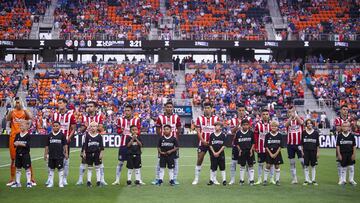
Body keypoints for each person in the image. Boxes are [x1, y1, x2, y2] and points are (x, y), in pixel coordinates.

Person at [6, 97, 35, 186]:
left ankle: (32, 179)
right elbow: (7, 119)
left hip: (24, 136)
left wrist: (24, 107)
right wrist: (11, 108)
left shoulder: (24, 112)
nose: (18, 103)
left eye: (19, 102)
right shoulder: (12, 111)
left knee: (27, 158)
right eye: (17, 102)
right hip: (14, 137)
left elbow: (31, 117)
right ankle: (12, 179)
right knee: (13, 159)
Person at [152, 101, 181, 185]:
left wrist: (175, 138)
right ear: (165, 108)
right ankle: (157, 178)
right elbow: (157, 129)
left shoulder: (176, 117)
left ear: (172, 108)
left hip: (173, 143)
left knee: (175, 161)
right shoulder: (160, 117)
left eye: (170, 107)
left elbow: (179, 128)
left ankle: (174, 178)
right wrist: (161, 138)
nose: (169, 108)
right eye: (167, 107)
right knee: (159, 161)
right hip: (163, 143)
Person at [77, 101, 106, 186]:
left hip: (96, 139)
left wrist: (89, 126)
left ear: (95, 108)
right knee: (83, 159)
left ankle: (102, 179)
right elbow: (81, 130)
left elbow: (101, 128)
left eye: (91, 106)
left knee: (99, 160)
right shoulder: (84, 117)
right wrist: (85, 126)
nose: (89, 108)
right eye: (88, 106)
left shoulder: (99, 117)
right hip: (86, 139)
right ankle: (80, 179)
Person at [112, 105, 142, 185]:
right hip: (123, 144)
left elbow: (139, 131)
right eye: (125, 110)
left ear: (132, 111)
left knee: (137, 163)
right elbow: (118, 131)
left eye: (128, 110)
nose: (126, 112)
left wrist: (135, 134)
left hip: (134, 145)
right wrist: (121, 131)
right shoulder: (120, 120)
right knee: (120, 162)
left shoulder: (136, 120)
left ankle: (139, 179)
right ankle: (117, 180)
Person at [192, 102, 220, 185]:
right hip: (202, 142)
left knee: (214, 161)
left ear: (211, 109)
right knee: (199, 159)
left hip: (213, 143)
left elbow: (218, 131)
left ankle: (213, 179)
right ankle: (196, 179)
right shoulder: (199, 118)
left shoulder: (216, 118)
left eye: (208, 108)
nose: (207, 109)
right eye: (205, 108)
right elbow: (198, 131)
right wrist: (203, 140)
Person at [52, 98, 76, 185]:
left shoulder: (70, 115)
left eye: (61, 103)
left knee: (65, 160)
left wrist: (68, 138)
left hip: (65, 140)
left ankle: (64, 178)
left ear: (65, 104)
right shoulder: (55, 115)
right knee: (51, 159)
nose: (59, 104)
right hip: (55, 140)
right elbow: (53, 127)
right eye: (58, 103)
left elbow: (73, 128)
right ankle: (50, 178)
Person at [229, 104, 253, 185]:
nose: (241, 112)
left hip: (246, 145)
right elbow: (232, 131)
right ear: (237, 111)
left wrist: (245, 125)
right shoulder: (233, 120)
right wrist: (238, 124)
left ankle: (249, 179)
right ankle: (232, 179)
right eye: (240, 110)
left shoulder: (249, 119)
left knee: (247, 163)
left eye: (243, 110)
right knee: (233, 162)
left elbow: (251, 130)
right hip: (236, 145)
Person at [44, 121, 68, 188]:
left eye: (57, 126)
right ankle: (51, 183)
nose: (55, 127)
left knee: (60, 169)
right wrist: (45, 154)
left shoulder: (62, 135)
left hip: (59, 155)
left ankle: (61, 183)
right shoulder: (49, 135)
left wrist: (66, 153)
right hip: (51, 155)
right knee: (51, 169)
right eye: (54, 126)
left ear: (59, 127)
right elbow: (47, 146)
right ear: (52, 127)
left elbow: (65, 145)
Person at [333, 105, 353, 184]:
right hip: (340, 142)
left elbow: (353, 128)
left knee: (350, 161)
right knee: (339, 161)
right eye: (344, 109)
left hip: (348, 142)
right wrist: (346, 125)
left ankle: (350, 179)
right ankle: (340, 178)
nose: (345, 111)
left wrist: (350, 125)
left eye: (347, 110)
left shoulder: (350, 119)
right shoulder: (337, 119)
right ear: (341, 110)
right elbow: (338, 129)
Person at [285, 106, 304, 184]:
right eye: (289, 112)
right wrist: (291, 117)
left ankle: (306, 177)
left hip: (299, 144)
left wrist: (295, 116)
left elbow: (302, 123)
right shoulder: (287, 120)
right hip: (290, 145)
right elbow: (286, 125)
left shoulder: (299, 119)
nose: (291, 113)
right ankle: (294, 178)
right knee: (292, 162)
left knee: (302, 161)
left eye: (292, 111)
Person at [254, 108, 273, 185]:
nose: (265, 116)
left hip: (270, 148)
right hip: (261, 147)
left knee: (271, 163)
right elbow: (255, 136)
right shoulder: (258, 125)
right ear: (261, 116)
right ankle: (259, 179)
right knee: (260, 164)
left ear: (269, 115)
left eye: (266, 114)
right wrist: (256, 146)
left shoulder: (272, 124)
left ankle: (271, 178)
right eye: (264, 114)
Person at [82, 122, 104, 187]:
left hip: (97, 153)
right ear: (89, 128)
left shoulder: (99, 136)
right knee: (89, 167)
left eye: (94, 126)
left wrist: (101, 153)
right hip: (89, 153)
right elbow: (85, 145)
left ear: (97, 127)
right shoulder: (87, 136)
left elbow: (101, 146)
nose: (93, 128)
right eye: (91, 126)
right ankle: (89, 181)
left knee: (97, 167)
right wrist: (84, 152)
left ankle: (98, 181)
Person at [11, 121, 32, 188]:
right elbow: (14, 143)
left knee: (27, 168)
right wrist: (16, 143)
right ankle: (18, 183)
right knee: (18, 168)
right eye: (20, 126)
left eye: (22, 125)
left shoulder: (28, 135)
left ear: (26, 126)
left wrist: (19, 143)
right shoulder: (17, 135)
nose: (21, 127)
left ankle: (29, 182)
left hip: (25, 154)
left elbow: (27, 145)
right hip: (18, 154)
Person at [235, 119, 255, 186]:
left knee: (251, 165)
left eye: (247, 125)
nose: (245, 126)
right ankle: (241, 180)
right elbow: (236, 143)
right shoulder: (238, 133)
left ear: (249, 125)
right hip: (242, 151)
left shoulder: (251, 133)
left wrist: (251, 150)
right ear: (241, 125)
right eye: (244, 125)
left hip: (249, 151)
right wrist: (239, 150)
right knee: (242, 165)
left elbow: (253, 143)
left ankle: (251, 180)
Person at [263, 121, 283, 186]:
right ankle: (265, 180)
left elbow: (280, 146)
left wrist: (275, 154)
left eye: (275, 126)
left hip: (277, 153)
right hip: (269, 153)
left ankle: (277, 180)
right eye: (272, 126)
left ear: (277, 127)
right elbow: (266, 146)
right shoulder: (267, 135)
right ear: (270, 127)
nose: (274, 127)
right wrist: (271, 154)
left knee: (277, 166)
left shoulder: (280, 135)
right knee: (268, 165)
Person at [336, 121, 357, 186]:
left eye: (347, 126)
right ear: (342, 127)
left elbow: (354, 146)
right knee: (343, 167)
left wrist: (354, 154)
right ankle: (343, 180)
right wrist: (339, 154)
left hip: (350, 153)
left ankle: (351, 179)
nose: (345, 128)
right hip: (343, 154)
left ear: (349, 128)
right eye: (344, 126)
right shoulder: (339, 136)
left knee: (351, 167)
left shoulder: (351, 136)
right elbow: (337, 146)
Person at [301, 119, 320, 186]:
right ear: (306, 125)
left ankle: (313, 180)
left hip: (313, 151)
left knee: (313, 166)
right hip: (306, 151)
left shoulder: (315, 133)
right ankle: (306, 180)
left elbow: (317, 144)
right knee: (306, 166)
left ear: (312, 124)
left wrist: (318, 152)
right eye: (308, 123)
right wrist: (302, 151)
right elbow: (302, 144)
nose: (309, 124)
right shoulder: (303, 132)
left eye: (310, 123)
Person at [208, 122, 227, 186]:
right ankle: (211, 180)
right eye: (215, 125)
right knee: (213, 167)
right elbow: (210, 145)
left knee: (222, 167)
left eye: (218, 125)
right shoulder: (212, 135)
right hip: (213, 154)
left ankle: (224, 180)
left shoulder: (223, 135)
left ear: (221, 127)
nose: (216, 127)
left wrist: (218, 152)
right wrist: (214, 152)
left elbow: (224, 145)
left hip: (221, 154)